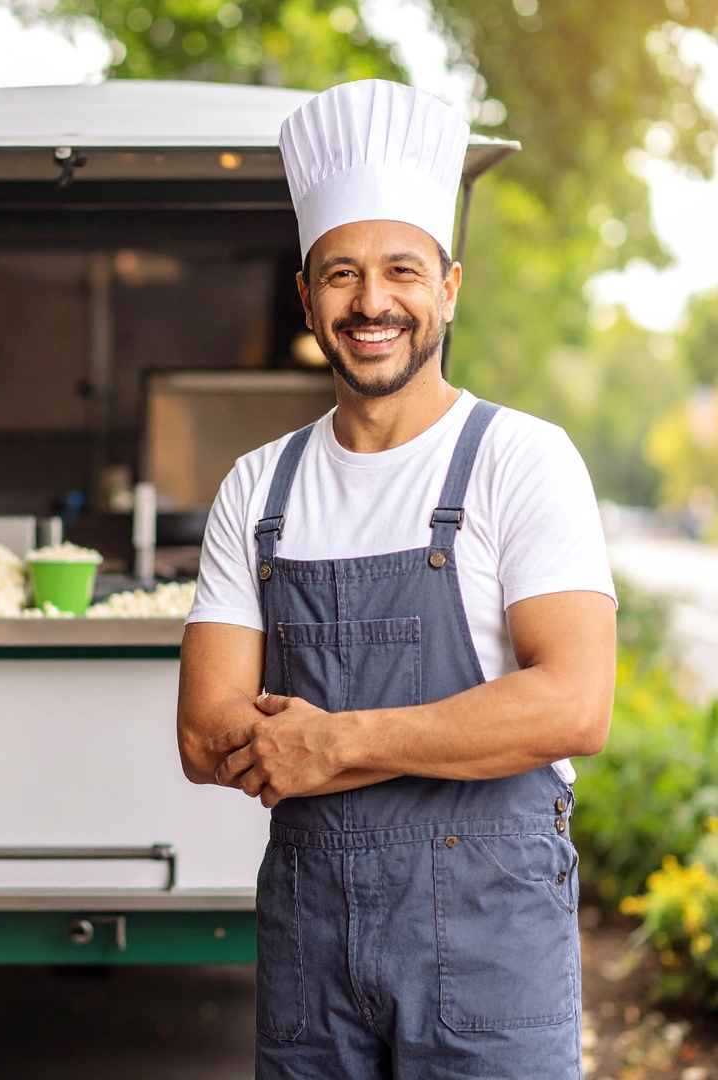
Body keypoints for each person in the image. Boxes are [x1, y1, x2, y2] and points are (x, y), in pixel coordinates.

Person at [177, 79, 617, 1080]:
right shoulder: (259, 487)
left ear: (449, 287)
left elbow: (571, 706)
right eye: (341, 275)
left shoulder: (522, 460)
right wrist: (465, 730)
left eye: (401, 272)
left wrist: (328, 743)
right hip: (311, 954)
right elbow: (208, 736)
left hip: (491, 949)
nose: (372, 303)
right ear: (306, 295)